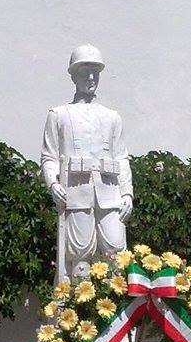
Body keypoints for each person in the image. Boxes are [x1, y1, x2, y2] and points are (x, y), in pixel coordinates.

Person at [40, 44, 133, 280]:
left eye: (95, 73)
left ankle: (116, 311)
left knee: (116, 252)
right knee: (79, 254)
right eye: (84, 72)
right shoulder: (58, 114)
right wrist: (53, 184)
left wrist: (127, 194)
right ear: (73, 76)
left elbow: (121, 157)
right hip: (76, 193)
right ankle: (76, 309)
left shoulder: (112, 117)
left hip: (110, 195)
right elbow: (49, 156)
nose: (91, 78)